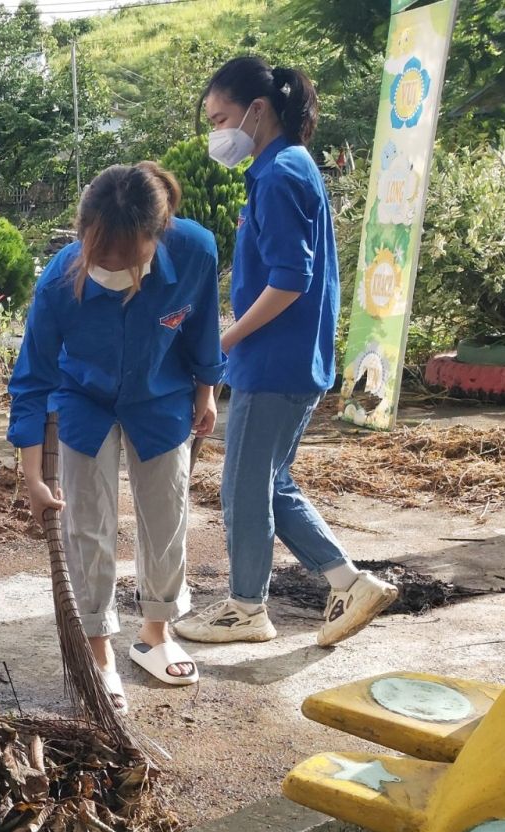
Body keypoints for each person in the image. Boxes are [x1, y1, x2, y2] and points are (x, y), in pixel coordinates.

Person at [175, 57, 398, 648]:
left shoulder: (279, 175)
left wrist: (221, 341)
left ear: (257, 110)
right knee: (270, 483)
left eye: (219, 119)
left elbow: (290, 281)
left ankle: (247, 607)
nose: (216, 133)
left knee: (244, 489)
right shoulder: (286, 167)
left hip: (274, 362)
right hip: (292, 358)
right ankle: (349, 583)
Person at [10, 163, 224, 707]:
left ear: (158, 235)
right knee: (88, 525)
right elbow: (32, 380)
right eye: (98, 256)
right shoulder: (60, 281)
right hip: (85, 401)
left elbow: (203, 329)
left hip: (162, 397)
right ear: (82, 233)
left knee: (167, 516)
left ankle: (156, 633)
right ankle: (98, 650)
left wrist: (206, 392)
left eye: (124, 260)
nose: (108, 269)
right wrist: (32, 474)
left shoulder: (195, 251)